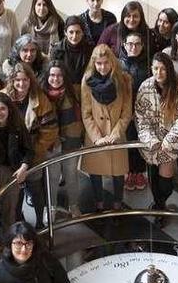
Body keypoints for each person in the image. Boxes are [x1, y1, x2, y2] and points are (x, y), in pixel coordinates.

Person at [0, 63, 60, 227]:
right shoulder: (3, 97)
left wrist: (33, 153)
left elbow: (50, 130)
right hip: (9, 158)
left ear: (30, 80)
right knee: (15, 195)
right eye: (17, 80)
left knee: (36, 190)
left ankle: (40, 223)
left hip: (33, 155)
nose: (21, 84)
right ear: (12, 80)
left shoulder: (40, 99)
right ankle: (20, 224)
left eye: (25, 79)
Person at [135, 52, 178, 221]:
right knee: (153, 177)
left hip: (169, 143)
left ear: (169, 69)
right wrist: (150, 139)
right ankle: (159, 205)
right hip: (151, 142)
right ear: (151, 68)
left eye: (163, 69)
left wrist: (169, 140)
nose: (159, 73)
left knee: (165, 179)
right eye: (156, 68)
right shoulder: (145, 87)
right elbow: (139, 116)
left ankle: (161, 204)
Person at [81, 44, 133, 212]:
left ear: (112, 62)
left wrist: (115, 134)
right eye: (99, 63)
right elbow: (86, 113)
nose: (102, 67)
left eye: (106, 63)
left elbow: (127, 112)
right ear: (94, 64)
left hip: (116, 136)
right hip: (95, 136)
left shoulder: (124, 80)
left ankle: (118, 204)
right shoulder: (87, 81)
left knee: (118, 173)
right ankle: (99, 204)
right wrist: (97, 138)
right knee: (95, 173)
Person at [41, 60, 85, 217]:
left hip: (71, 140)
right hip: (50, 143)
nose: (55, 78)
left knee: (71, 175)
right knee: (52, 177)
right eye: (52, 75)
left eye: (59, 75)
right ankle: (51, 207)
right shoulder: (41, 94)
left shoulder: (74, 91)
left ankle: (74, 205)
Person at [0, 92, 34, 227]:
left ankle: (10, 239)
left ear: (9, 109)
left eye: (3, 109)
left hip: (13, 172)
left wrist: (23, 168)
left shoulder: (18, 126)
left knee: (11, 210)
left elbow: (29, 150)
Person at [120, 32, 153, 193]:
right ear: (124, 45)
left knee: (141, 142)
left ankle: (140, 172)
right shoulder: (119, 64)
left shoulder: (148, 65)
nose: (133, 47)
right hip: (124, 113)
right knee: (128, 142)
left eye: (137, 44)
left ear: (142, 46)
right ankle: (129, 172)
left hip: (144, 113)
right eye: (130, 44)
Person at [49, 16, 93, 95]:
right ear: (65, 32)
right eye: (71, 32)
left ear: (82, 33)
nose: (74, 36)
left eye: (78, 32)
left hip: (85, 89)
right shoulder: (56, 51)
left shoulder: (90, 49)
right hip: (63, 90)